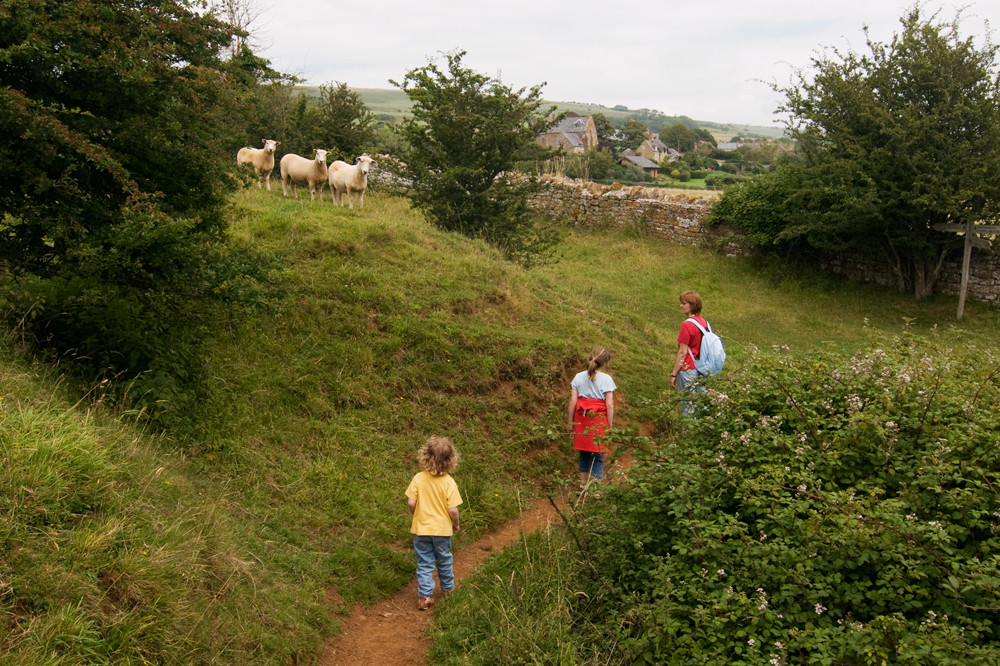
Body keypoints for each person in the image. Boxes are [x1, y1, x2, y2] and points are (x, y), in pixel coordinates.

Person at [405, 436, 463, 611]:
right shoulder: (449, 483)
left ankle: (425, 596)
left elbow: (411, 503)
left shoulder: (418, 478)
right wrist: (456, 523)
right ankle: (447, 590)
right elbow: (453, 510)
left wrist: (416, 514)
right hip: (442, 531)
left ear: (425, 456)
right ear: (451, 460)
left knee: (425, 562)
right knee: (444, 559)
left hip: (421, 529)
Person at [567, 346, 617, 491]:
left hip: (582, 419)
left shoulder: (578, 377)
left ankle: (583, 486)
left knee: (584, 452)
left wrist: (571, 422)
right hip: (599, 419)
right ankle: (595, 490)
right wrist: (610, 426)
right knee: (598, 454)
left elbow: (573, 402)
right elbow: (609, 405)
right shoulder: (607, 379)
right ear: (606, 362)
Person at [670, 290, 707, 414]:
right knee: (700, 406)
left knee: (688, 409)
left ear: (692, 305)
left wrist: (674, 374)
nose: (681, 305)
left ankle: (688, 433)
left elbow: (682, 352)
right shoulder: (703, 322)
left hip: (688, 369)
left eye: (684, 303)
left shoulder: (687, 325)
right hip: (702, 368)